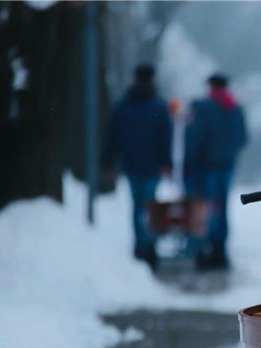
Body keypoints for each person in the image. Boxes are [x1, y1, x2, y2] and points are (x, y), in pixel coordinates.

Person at [104, 64, 172, 269]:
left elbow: (112, 136)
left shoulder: (124, 105)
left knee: (136, 207)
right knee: (150, 207)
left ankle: (139, 248)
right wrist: (166, 162)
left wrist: (108, 161)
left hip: (132, 164)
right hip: (153, 166)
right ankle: (150, 247)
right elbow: (165, 137)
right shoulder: (158, 106)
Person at [184, 73, 249, 269]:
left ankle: (205, 250)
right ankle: (220, 250)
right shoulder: (235, 108)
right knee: (221, 207)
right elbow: (243, 138)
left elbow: (194, 138)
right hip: (226, 167)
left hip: (206, 167)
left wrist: (190, 162)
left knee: (206, 208)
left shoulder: (203, 108)